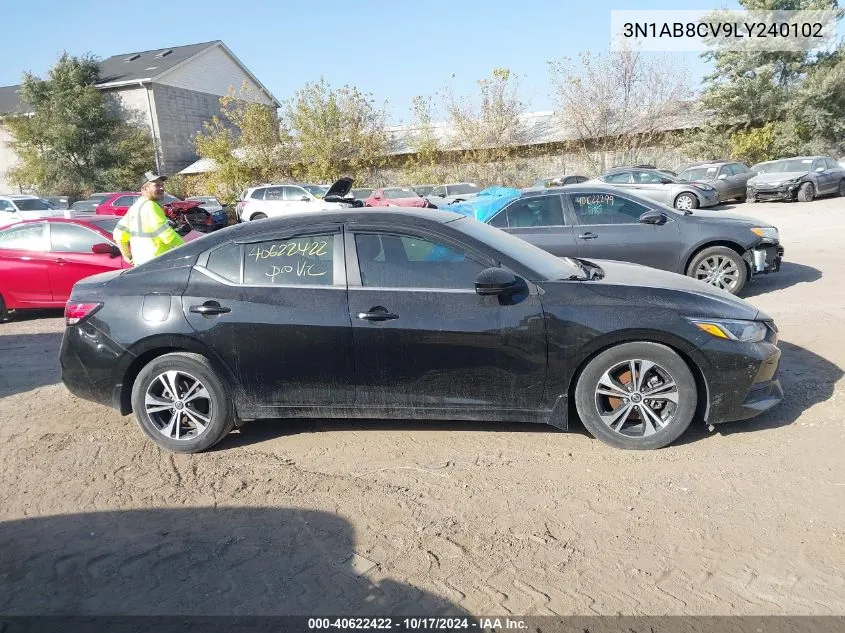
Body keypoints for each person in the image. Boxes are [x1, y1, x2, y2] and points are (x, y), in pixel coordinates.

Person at [113, 171, 184, 266]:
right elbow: (167, 235)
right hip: (159, 263)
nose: (162, 188)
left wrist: (127, 256)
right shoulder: (151, 206)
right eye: (157, 185)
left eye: (162, 185)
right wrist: (186, 248)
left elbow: (119, 234)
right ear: (145, 188)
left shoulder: (135, 207)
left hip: (141, 265)